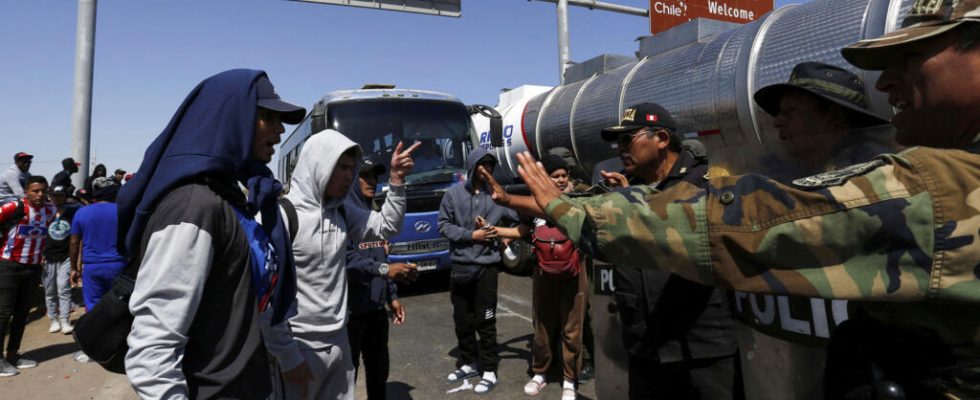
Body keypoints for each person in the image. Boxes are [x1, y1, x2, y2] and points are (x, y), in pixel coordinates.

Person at [489, 1, 980, 397]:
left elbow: (731, 226)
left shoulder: (940, 185)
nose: (888, 81)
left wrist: (569, 208)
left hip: (705, 355)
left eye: (911, 57)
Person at [118, 69, 306, 399]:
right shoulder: (194, 207)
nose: (279, 131)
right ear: (231, 118)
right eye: (267, 116)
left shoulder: (232, 199)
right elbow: (152, 354)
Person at [262, 130, 417, 400]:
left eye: (350, 167)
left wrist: (396, 181)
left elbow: (387, 226)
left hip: (339, 341)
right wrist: (287, 357)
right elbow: (263, 300)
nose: (348, 175)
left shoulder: (341, 211)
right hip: (299, 346)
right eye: (340, 167)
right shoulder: (281, 217)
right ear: (318, 164)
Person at [487, 155, 586, 400]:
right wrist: (497, 231)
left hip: (574, 275)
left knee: (572, 329)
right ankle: (540, 372)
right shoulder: (534, 205)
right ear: (546, 178)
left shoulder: (579, 199)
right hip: (543, 274)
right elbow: (523, 231)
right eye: (556, 176)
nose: (562, 180)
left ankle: (569, 380)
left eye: (564, 175)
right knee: (542, 324)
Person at [438, 148, 519, 394]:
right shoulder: (452, 194)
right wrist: (470, 235)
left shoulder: (496, 196)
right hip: (461, 266)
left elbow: (517, 219)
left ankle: (489, 369)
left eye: (490, 167)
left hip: (487, 268)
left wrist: (504, 236)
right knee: (463, 320)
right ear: (473, 167)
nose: (486, 171)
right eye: (482, 166)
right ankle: (468, 362)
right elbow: (443, 225)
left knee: (486, 320)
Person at [345, 156, 418, 400]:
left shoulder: (374, 210)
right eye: (365, 175)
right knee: (346, 380)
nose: (372, 181)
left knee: (378, 376)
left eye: (375, 176)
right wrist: (386, 270)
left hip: (376, 312)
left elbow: (380, 258)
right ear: (353, 178)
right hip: (349, 316)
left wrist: (392, 297)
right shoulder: (343, 213)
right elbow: (348, 263)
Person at [753, 62, 891, 179]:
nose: (776, 122)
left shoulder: (872, 167)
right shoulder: (786, 168)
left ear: (836, 115)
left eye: (792, 110)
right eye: (779, 113)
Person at [0, 175, 56, 376]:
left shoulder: (50, 210)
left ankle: (13, 355)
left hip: (32, 269)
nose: (40, 194)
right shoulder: (14, 207)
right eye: (35, 190)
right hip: (9, 266)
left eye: (43, 190)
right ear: (27, 191)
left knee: (22, 313)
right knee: (3, 313)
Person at [69, 177, 126, 311]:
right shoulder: (123, 211)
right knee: (119, 305)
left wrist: (74, 268)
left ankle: (95, 331)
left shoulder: (81, 212)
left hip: (92, 267)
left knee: (93, 306)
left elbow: (74, 242)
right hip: (118, 265)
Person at [42, 185, 81, 335]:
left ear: (65, 197)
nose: (57, 198)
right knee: (50, 290)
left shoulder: (72, 213)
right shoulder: (46, 213)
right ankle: (53, 320)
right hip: (48, 257)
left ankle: (65, 320)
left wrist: (77, 262)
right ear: (50, 196)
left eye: (60, 195)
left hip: (65, 256)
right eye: (55, 195)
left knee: (63, 288)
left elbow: (77, 237)